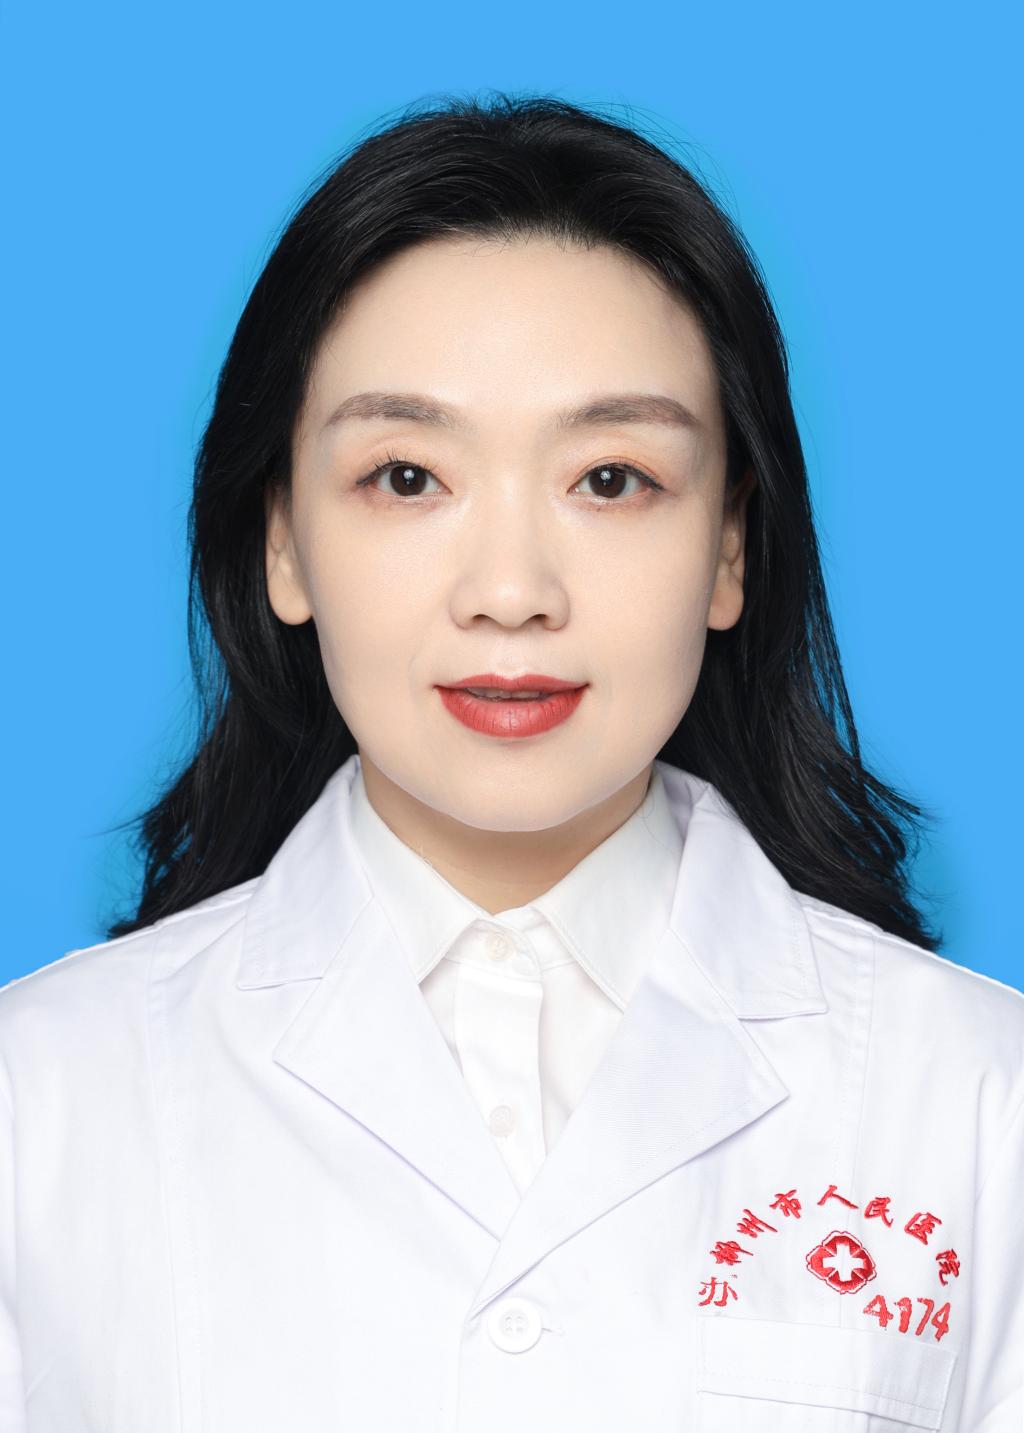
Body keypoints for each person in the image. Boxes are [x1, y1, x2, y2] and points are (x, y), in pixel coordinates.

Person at [1, 92, 1020, 1432]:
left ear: (728, 547)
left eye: (611, 479)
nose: (511, 592)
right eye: (407, 477)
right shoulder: (40, 1098)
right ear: (283, 543)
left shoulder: (979, 1098)